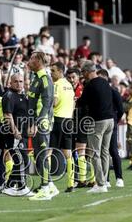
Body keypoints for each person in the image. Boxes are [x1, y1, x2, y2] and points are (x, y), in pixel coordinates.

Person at [78, 60, 114, 193]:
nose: (82, 74)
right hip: (110, 120)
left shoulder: (89, 85)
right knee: (105, 152)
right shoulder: (105, 82)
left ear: (88, 71)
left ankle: (100, 184)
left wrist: (76, 101)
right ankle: (104, 181)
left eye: (83, 72)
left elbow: (82, 102)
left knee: (94, 153)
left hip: (98, 121)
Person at [26, 51, 54, 201]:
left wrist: (36, 123)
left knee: (42, 155)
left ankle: (44, 189)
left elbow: (47, 103)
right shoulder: (36, 78)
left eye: (31, 59)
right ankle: (50, 185)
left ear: (38, 61)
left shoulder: (44, 78)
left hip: (41, 123)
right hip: (36, 122)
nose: (29, 61)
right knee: (38, 155)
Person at [1, 73, 32, 196]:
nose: (19, 84)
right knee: (22, 159)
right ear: (10, 83)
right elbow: (8, 115)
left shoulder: (23, 96)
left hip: (22, 134)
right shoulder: (9, 96)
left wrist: (31, 126)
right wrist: (15, 131)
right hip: (14, 135)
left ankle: (9, 186)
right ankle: (22, 187)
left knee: (20, 159)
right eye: (16, 81)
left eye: (21, 81)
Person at [49, 62, 75, 193]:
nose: (51, 73)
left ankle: (46, 183)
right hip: (68, 121)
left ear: (60, 71)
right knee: (67, 153)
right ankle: (71, 183)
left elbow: (54, 102)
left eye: (53, 71)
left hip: (58, 120)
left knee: (48, 151)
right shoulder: (69, 85)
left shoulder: (56, 85)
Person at [97, 69, 125, 187]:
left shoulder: (113, 92)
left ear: (105, 78)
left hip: (110, 123)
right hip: (100, 123)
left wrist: (115, 120)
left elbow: (121, 109)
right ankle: (106, 179)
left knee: (112, 150)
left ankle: (119, 178)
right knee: (103, 152)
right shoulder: (97, 92)